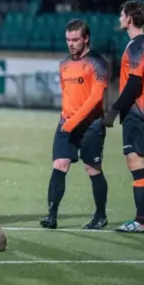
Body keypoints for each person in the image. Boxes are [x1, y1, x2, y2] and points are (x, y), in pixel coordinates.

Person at [40, 19, 110, 230]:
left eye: (75, 40)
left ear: (86, 39)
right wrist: (66, 120)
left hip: (91, 126)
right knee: (59, 165)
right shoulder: (64, 64)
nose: (71, 44)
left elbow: (96, 98)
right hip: (67, 123)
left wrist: (74, 122)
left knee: (92, 168)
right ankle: (51, 216)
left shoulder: (98, 63)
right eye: (68, 40)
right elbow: (67, 96)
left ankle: (100, 215)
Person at [103, 1, 144, 233]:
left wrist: (114, 110)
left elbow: (134, 83)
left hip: (137, 113)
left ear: (129, 19)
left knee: (137, 166)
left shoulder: (135, 47)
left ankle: (142, 220)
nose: (119, 18)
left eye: (121, 14)